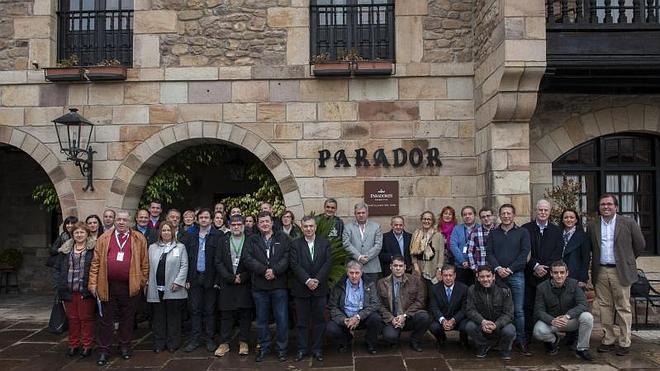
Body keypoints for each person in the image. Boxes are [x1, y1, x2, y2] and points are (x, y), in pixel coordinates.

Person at [88, 210, 149, 366]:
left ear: (130, 222)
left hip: (130, 286)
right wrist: (93, 283)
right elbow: (95, 263)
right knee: (105, 319)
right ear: (114, 221)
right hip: (107, 285)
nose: (122, 222)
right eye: (119, 219)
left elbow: (144, 263)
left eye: (125, 220)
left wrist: (141, 281)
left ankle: (125, 347)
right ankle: (104, 350)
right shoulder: (104, 238)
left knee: (127, 319)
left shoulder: (138, 238)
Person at [587, 194, 645, 356]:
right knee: (605, 306)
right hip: (601, 270)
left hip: (621, 271)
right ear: (599, 208)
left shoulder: (628, 223)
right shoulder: (592, 225)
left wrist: (627, 261)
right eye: (603, 204)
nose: (606, 207)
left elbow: (640, 244)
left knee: (623, 306)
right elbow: (591, 247)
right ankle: (609, 339)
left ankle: (625, 341)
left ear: (616, 207)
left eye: (609, 204)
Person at [244, 211, 291, 362]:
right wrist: (264, 270)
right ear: (258, 225)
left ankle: (282, 349)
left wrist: (275, 271)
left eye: (267, 221)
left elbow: (287, 256)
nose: (265, 224)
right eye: (261, 222)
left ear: (272, 223)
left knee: (282, 319)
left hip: (279, 285)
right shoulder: (252, 240)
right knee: (262, 320)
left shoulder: (282, 238)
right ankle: (263, 348)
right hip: (260, 286)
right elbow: (248, 258)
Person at [486, 204, 531, 355]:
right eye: (503, 213)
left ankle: (521, 341)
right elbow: (489, 253)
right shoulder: (493, 233)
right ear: (499, 215)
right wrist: (498, 268)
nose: (506, 216)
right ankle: (501, 340)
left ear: (514, 215)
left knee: (518, 311)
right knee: (498, 310)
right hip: (497, 276)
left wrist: (510, 269)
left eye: (509, 213)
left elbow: (524, 254)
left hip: (516, 275)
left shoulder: (522, 232)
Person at [290, 216, 332, 362]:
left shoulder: (325, 243)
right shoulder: (295, 244)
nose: (308, 229)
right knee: (301, 322)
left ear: (315, 227)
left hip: (319, 289)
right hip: (301, 289)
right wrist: (307, 280)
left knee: (319, 320)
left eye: (311, 226)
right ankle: (302, 349)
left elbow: (327, 263)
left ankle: (317, 349)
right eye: (306, 226)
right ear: (302, 228)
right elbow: (294, 264)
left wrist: (317, 280)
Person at [533, 260, 594, 361]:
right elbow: (539, 310)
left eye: (562, 272)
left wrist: (568, 316)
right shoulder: (542, 287)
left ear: (567, 273)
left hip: (570, 320)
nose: (559, 276)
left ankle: (582, 349)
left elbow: (583, 304)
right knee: (538, 331)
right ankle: (554, 340)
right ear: (551, 273)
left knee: (587, 317)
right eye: (556, 273)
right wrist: (552, 320)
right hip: (553, 321)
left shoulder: (574, 284)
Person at [522, 199, 564, 345]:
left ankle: (548, 340)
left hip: (548, 277)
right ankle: (526, 337)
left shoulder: (557, 231)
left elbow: (557, 253)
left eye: (546, 210)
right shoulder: (525, 229)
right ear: (535, 211)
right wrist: (535, 266)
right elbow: (524, 251)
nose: (543, 212)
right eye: (540, 210)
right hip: (530, 275)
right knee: (527, 306)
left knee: (547, 307)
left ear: (550, 212)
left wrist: (544, 267)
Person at [55, 221, 96, 358]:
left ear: (87, 234)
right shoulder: (65, 250)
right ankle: (73, 344)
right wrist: (59, 286)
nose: (79, 235)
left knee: (86, 318)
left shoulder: (93, 250)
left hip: (85, 290)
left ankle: (87, 345)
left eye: (82, 232)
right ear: (72, 235)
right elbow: (59, 269)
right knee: (72, 319)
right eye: (76, 232)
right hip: (69, 290)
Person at [214, 214, 253, 357]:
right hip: (228, 282)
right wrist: (230, 277)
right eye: (233, 225)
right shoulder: (222, 240)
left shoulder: (250, 240)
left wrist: (242, 277)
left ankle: (244, 342)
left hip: (245, 282)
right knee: (226, 314)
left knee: (245, 314)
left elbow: (255, 260)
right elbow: (218, 261)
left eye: (238, 224)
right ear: (229, 226)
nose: (236, 227)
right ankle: (224, 343)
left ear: (243, 225)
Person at [146, 221, 188, 353]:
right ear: (160, 233)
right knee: (158, 317)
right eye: (163, 230)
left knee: (173, 317)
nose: (166, 233)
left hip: (173, 287)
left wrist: (178, 282)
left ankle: (172, 343)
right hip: (156, 287)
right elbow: (147, 265)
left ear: (173, 232)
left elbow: (184, 265)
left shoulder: (180, 247)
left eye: (168, 230)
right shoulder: (152, 247)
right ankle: (159, 343)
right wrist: (147, 282)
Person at [184, 208, 222, 353]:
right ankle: (195, 339)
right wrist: (186, 278)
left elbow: (220, 259)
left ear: (211, 219)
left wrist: (218, 280)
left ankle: (209, 339)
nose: (204, 220)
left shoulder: (218, 236)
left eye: (207, 217)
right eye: (201, 217)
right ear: (197, 219)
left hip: (211, 278)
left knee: (209, 310)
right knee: (194, 309)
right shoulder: (190, 235)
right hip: (194, 277)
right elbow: (185, 258)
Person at [326, 260, 383, 354]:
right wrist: (343, 319)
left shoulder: (370, 284)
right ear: (347, 272)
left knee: (376, 319)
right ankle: (346, 339)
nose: (354, 276)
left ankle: (370, 342)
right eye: (351, 273)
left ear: (361, 272)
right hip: (345, 318)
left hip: (362, 317)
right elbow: (333, 306)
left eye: (357, 273)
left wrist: (358, 317)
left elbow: (375, 303)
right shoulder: (338, 285)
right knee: (330, 328)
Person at [377, 255, 430, 352]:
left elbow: (420, 302)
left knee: (424, 316)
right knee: (390, 337)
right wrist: (391, 318)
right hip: (392, 320)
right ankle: (394, 337)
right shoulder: (382, 283)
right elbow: (379, 305)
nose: (398, 268)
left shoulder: (415, 281)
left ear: (405, 267)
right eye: (395, 265)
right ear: (390, 267)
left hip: (409, 317)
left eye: (400, 266)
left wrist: (404, 316)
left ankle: (415, 340)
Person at [465, 265, 516, 360]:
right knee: (469, 326)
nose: (485, 279)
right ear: (478, 277)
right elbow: (470, 310)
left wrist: (496, 325)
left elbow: (509, 314)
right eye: (482, 277)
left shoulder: (504, 290)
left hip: (499, 324)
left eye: (488, 276)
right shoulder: (472, 289)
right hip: (482, 324)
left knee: (510, 330)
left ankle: (505, 349)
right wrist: (483, 321)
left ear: (493, 277)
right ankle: (483, 345)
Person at [429, 264, 469, 349]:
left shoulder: (464, 288)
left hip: (458, 319)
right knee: (433, 326)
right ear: (441, 276)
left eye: (450, 275)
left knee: (466, 326)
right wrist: (443, 320)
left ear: (454, 275)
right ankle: (441, 338)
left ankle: (463, 339)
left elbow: (464, 309)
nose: (448, 278)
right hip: (442, 319)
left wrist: (453, 320)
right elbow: (434, 307)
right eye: (445, 275)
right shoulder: (434, 289)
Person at [342, 203, 383, 284]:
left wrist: (367, 257)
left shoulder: (376, 227)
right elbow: (346, 244)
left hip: (372, 267)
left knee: (371, 293)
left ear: (367, 213)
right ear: (355, 214)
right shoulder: (348, 227)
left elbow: (378, 245)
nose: (361, 215)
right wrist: (359, 257)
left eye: (363, 213)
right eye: (358, 213)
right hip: (353, 268)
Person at [410, 211, 445, 288]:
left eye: (429, 219)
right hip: (418, 269)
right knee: (420, 295)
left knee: (432, 294)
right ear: (421, 220)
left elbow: (441, 254)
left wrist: (439, 269)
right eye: (424, 219)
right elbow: (412, 252)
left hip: (433, 270)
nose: (426, 221)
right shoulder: (416, 234)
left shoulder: (438, 235)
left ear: (432, 221)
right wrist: (415, 266)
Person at [450, 206, 479, 286]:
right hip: (461, 266)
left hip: (477, 267)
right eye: (465, 214)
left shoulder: (480, 228)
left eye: (470, 214)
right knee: (461, 290)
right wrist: (462, 261)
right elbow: (453, 245)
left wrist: (473, 262)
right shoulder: (457, 228)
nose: (467, 216)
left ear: (474, 215)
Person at [560, 209, 590, 287]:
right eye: (566, 217)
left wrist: (583, 279)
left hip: (575, 276)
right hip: (558, 275)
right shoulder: (557, 234)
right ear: (562, 220)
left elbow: (586, 259)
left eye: (571, 217)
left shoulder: (583, 237)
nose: (569, 219)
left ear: (576, 220)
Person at [467, 207, 496, 274]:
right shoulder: (475, 232)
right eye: (483, 217)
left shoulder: (499, 231)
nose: (486, 218)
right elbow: (470, 251)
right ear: (480, 219)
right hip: (481, 269)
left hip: (497, 269)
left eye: (488, 216)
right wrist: (474, 267)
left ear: (493, 216)